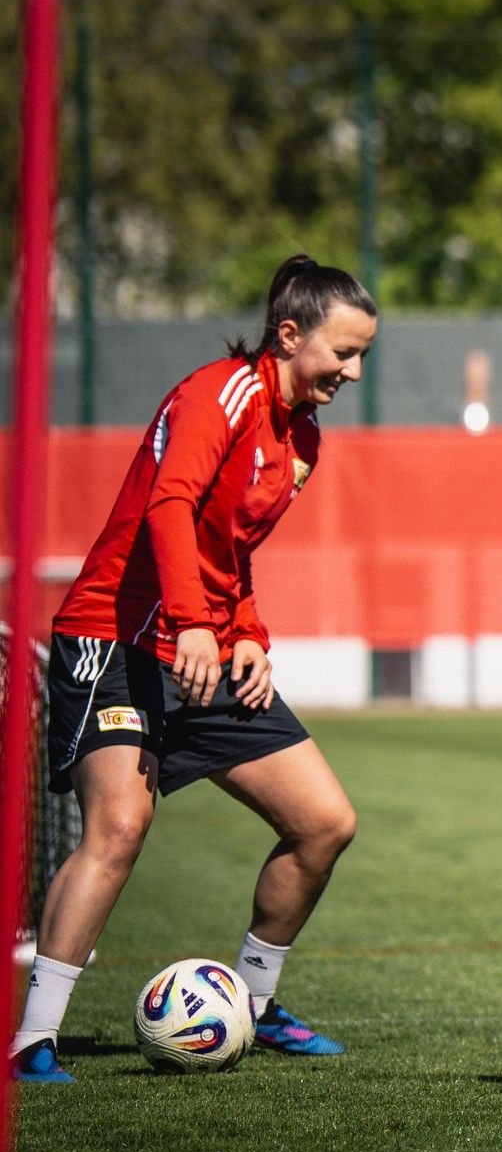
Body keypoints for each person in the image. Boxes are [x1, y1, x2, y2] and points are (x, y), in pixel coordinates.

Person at [13, 255, 376, 1082]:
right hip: (116, 638)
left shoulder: (302, 439)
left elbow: (230, 551)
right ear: (290, 335)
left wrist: (246, 631)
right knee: (120, 827)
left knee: (325, 822)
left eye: (362, 358)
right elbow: (169, 505)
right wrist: (193, 625)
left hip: (203, 645)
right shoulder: (217, 393)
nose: (352, 372)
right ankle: (31, 1039)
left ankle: (253, 1002)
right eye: (343, 353)